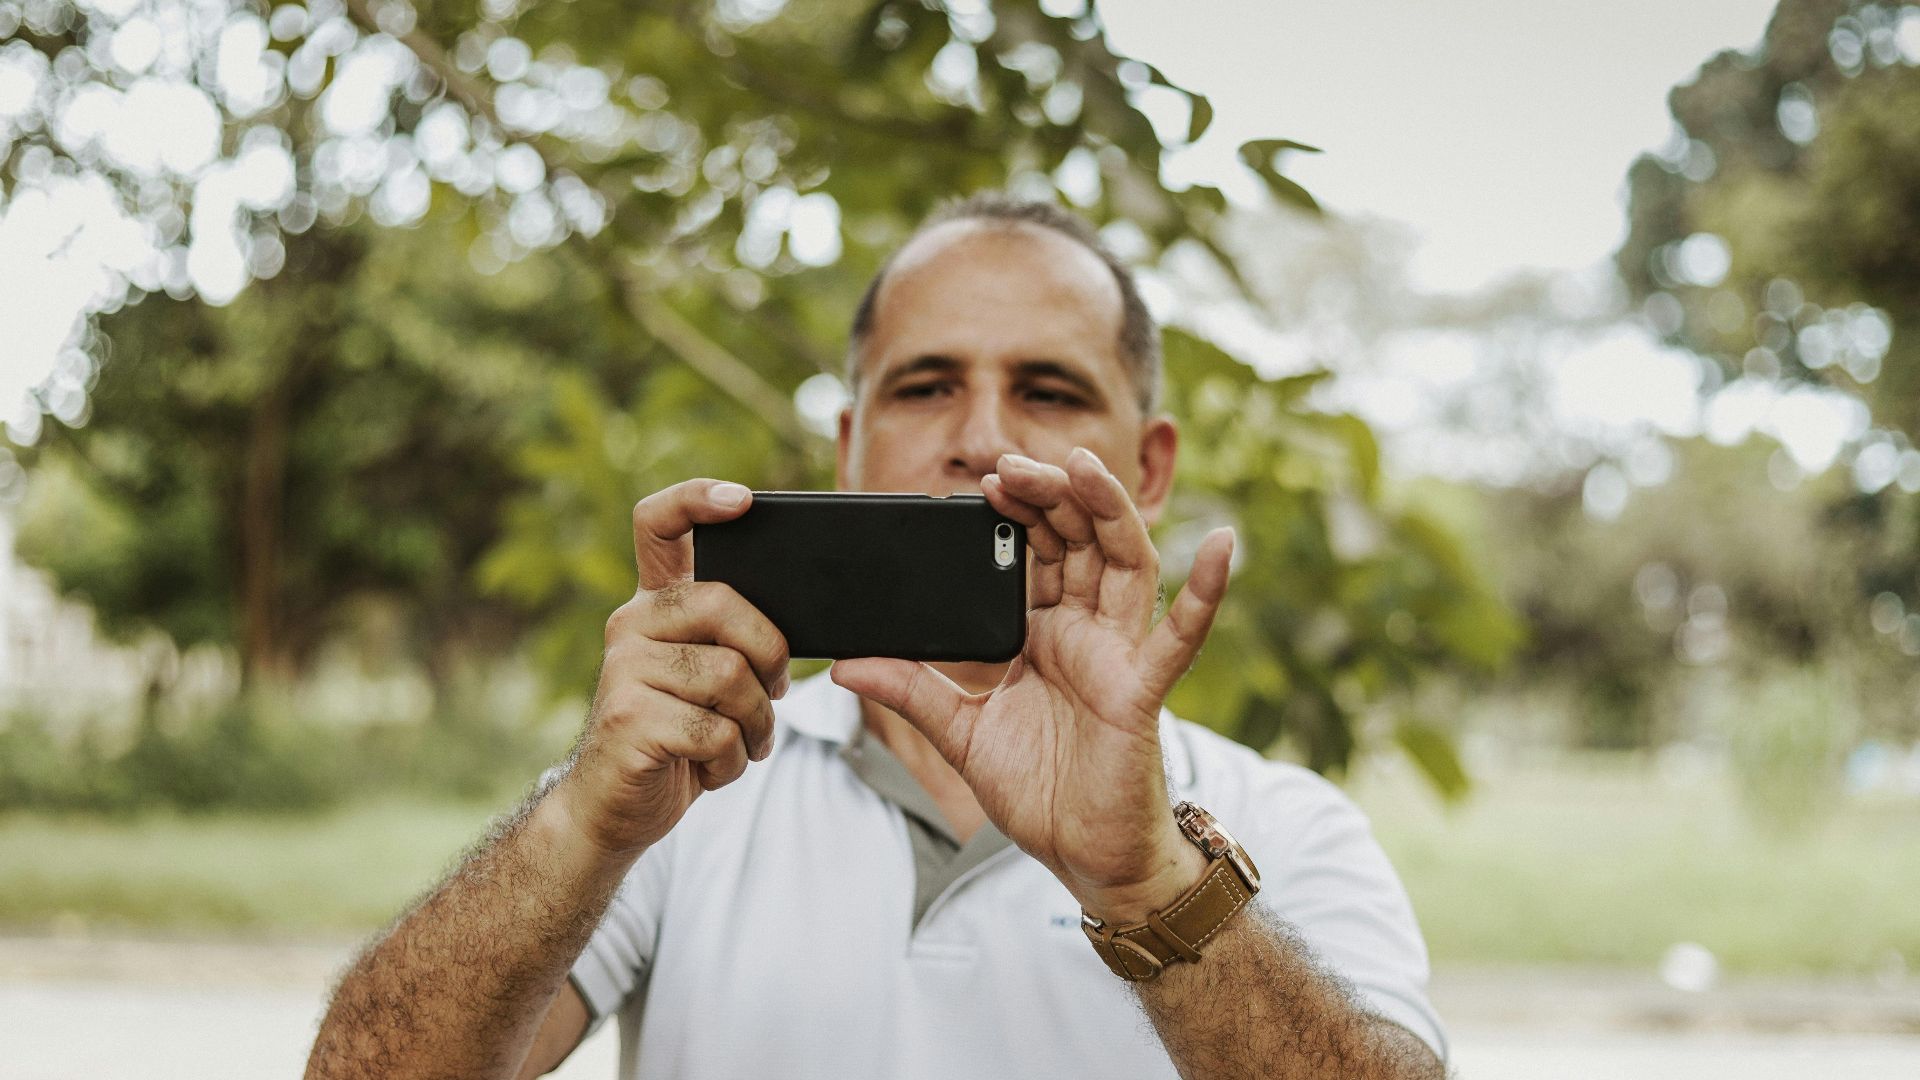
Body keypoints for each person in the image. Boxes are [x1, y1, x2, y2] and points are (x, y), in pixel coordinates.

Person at [307, 194, 1447, 1080]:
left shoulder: (1286, 830)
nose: (981, 439)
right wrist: (582, 821)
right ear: (848, 447)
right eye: (925, 387)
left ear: (1148, 466)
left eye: (1046, 389)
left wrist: (1149, 880)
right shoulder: (681, 790)